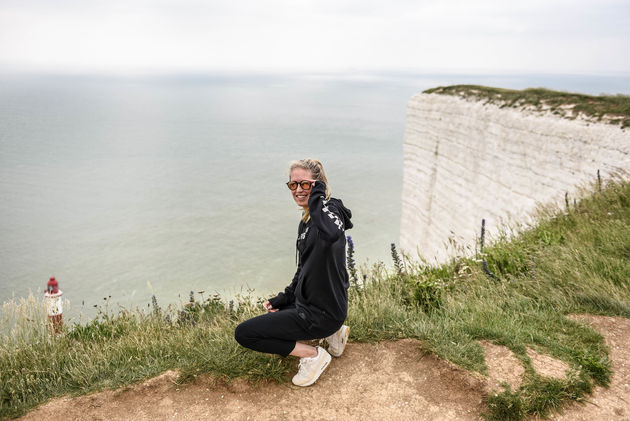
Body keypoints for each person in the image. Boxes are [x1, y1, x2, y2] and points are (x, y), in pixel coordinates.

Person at [234, 158, 353, 387]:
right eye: (293, 185)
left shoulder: (331, 211)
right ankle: (335, 334)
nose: (298, 190)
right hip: (322, 307)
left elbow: (330, 233)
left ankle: (313, 355)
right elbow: (304, 268)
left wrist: (318, 195)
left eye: (305, 184)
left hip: (321, 314)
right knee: (272, 317)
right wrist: (286, 296)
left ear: (318, 185)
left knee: (245, 334)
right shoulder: (307, 220)